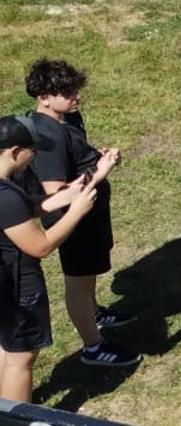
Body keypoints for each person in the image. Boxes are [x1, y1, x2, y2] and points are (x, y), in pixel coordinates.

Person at [21, 59, 139, 367]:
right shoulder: (47, 138)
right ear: (44, 96)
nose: (77, 97)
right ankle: (93, 346)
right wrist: (100, 171)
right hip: (73, 219)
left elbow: (75, 156)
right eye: (68, 92)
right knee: (78, 279)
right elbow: (56, 193)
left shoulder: (66, 119)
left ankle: (94, 310)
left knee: (89, 275)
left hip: (91, 212)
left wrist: (93, 156)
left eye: (76, 90)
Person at [0, 116, 100, 400]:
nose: (34, 157)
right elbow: (40, 246)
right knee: (22, 358)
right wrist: (76, 211)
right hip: (17, 287)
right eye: (32, 150)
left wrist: (64, 196)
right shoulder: (5, 196)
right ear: (15, 151)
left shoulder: (5, 190)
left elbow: (19, 212)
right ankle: (17, 418)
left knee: (7, 349)